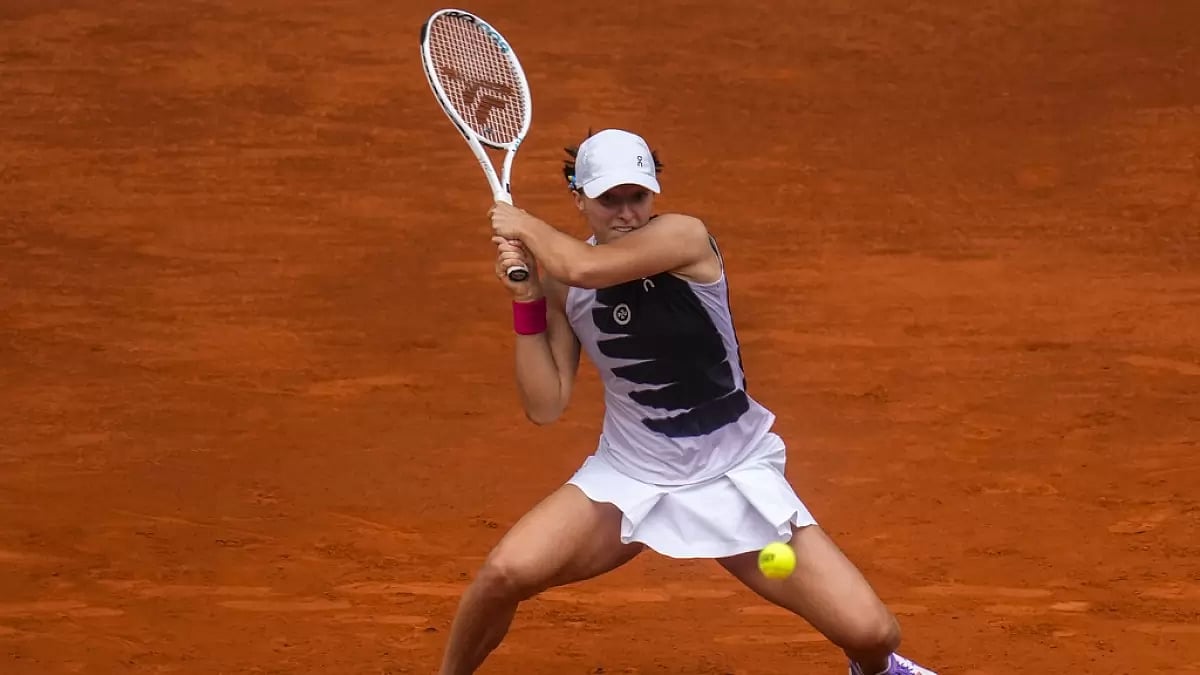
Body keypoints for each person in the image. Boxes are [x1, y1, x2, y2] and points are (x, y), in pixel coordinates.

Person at [438, 128, 938, 675]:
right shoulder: (563, 280)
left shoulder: (684, 239)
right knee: (504, 574)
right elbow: (546, 404)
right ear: (579, 197)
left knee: (873, 632)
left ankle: (876, 672)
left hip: (734, 474)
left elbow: (584, 265)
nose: (626, 212)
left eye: (637, 196)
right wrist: (528, 302)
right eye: (609, 199)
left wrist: (522, 226)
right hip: (630, 477)